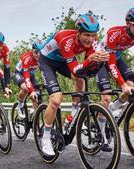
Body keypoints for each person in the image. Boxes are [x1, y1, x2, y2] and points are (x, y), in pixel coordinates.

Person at [39, 14, 109, 156]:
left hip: (63, 60)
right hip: (47, 62)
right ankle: (45, 136)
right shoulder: (66, 40)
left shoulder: (92, 41)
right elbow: (76, 70)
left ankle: (73, 115)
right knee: (56, 99)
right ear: (78, 33)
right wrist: (90, 59)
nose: (90, 39)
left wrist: (100, 60)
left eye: (93, 35)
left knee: (81, 80)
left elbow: (86, 70)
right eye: (86, 35)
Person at [14, 40, 44, 119]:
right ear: (32, 50)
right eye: (36, 52)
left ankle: (32, 114)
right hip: (20, 73)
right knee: (26, 89)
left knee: (36, 95)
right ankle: (19, 106)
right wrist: (31, 90)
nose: (38, 55)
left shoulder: (42, 58)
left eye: (41, 52)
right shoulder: (27, 58)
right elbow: (26, 78)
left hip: (31, 74)